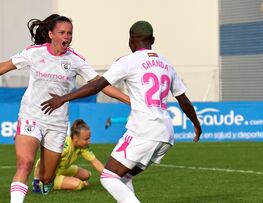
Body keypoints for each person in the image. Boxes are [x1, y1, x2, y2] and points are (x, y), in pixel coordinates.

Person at [0, 14, 130, 203]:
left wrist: (129, 100)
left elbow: (101, 84)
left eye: (69, 33)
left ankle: (43, 179)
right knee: (25, 164)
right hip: (32, 116)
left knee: (48, 178)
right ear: (50, 34)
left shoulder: (76, 60)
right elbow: (4, 66)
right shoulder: (35, 52)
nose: (67, 37)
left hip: (57, 123)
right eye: (62, 32)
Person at [41, 20, 202, 203]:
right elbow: (184, 100)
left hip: (144, 130)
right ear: (153, 39)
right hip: (166, 134)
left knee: (108, 177)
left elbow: (96, 86)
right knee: (123, 177)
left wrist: (63, 98)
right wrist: (196, 124)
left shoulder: (129, 61)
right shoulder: (165, 63)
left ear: (131, 41)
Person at [32, 119, 104, 192]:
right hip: (50, 176)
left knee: (87, 175)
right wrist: (37, 181)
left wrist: (109, 177)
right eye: (86, 139)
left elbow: (95, 162)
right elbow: (41, 162)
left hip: (63, 170)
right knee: (78, 185)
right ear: (75, 138)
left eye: (89, 138)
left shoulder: (83, 147)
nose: (89, 141)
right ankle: (46, 183)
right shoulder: (64, 147)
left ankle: (65, 179)